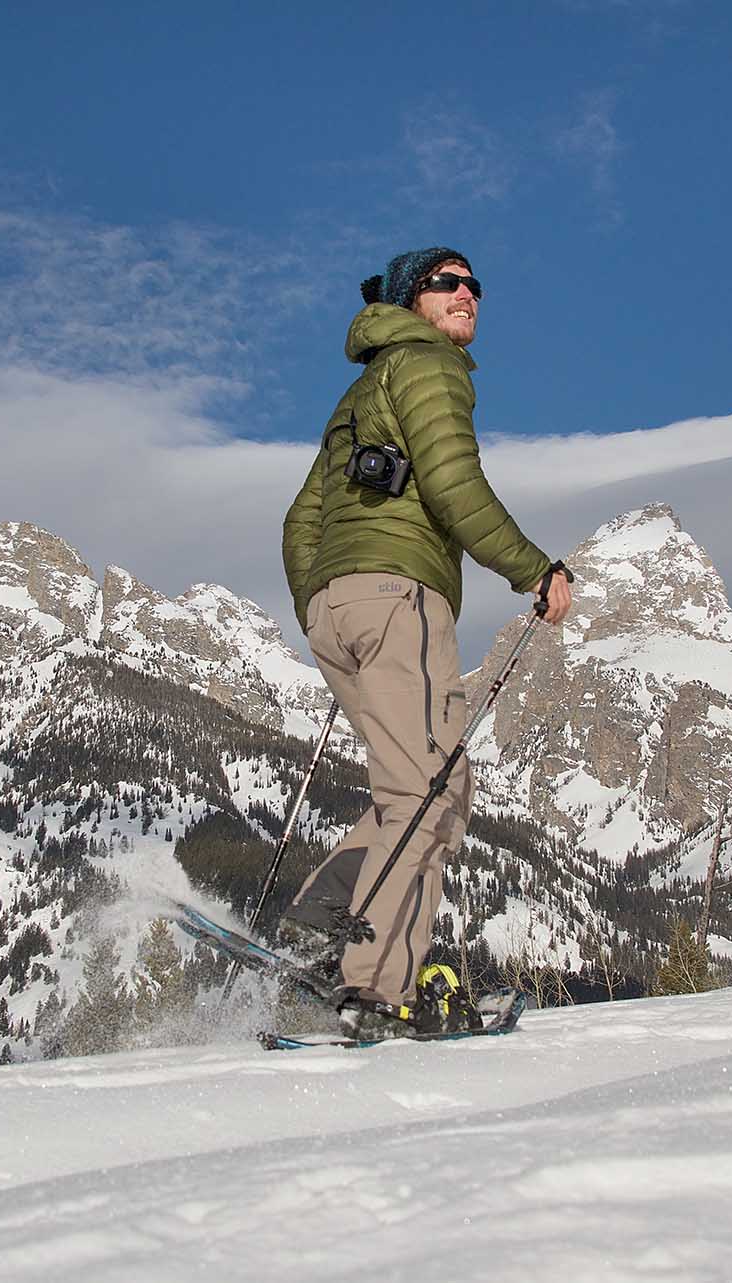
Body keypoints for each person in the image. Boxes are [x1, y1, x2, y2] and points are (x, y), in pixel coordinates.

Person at [279, 246, 572, 1038]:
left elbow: (302, 519)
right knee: (426, 796)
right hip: (400, 598)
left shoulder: (361, 387)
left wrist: (321, 598)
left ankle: (325, 914)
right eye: (448, 283)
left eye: (475, 285)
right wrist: (533, 571)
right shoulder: (429, 367)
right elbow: (452, 485)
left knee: (429, 787)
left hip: (340, 612)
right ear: (413, 299)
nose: (467, 294)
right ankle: (375, 985)